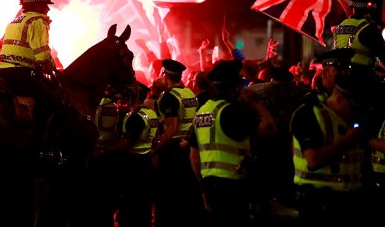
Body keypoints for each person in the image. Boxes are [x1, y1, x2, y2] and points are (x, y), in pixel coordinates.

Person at [189, 60, 276, 227]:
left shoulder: (202, 111)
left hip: (209, 184)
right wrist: (256, 102)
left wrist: (203, 186)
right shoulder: (234, 111)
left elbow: (193, 154)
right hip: (233, 185)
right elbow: (270, 128)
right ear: (235, 87)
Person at [289, 58, 373, 226]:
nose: (358, 112)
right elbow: (313, 160)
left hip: (349, 202)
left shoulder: (351, 121)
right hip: (318, 203)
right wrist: (349, 138)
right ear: (342, 100)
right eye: (355, 105)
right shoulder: (308, 114)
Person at [0, 0, 62, 150]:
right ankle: (38, 146)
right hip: (22, 74)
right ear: (38, 5)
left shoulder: (15, 22)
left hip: (3, 72)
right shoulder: (38, 22)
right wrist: (54, 68)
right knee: (54, 101)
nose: (48, 9)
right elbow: (42, 55)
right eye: (46, 5)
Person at [153, 58, 206, 227]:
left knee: (169, 196)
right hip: (188, 147)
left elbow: (172, 128)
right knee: (188, 193)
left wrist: (156, 149)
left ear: (164, 75)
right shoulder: (190, 93)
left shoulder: (169, 97)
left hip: (173, 151)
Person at [116, 82, 160, 227]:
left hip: (134, 166)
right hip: (148, 161)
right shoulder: (151, 113)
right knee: (144, 207)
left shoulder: (136, 118)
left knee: (131, 209)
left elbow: (124, 144)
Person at [333, 0, 385, 69]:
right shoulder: (369, 28)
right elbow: (380, 54)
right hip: (360, 74)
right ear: (369, 11)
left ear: (353, 9)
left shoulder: (341, 25)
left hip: (340, 73)